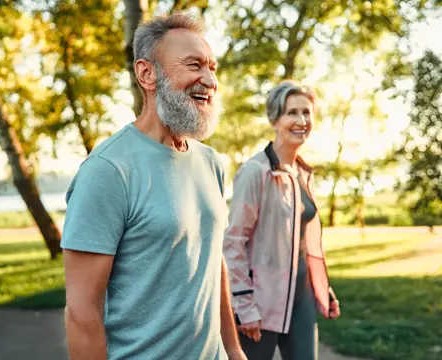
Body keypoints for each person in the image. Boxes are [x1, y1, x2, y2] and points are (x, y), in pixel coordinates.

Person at [61, 13, 246, 360]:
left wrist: (233, 349)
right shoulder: (108, 170)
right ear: (147, 74)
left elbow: (212, 260)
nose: (208, 79)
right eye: (194, 65)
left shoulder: (211, 163)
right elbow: (81, 311)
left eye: (212, 68)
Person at [223, 80, 341, 360]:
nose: (301, 120)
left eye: (306, 113)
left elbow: (301, 242)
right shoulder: (256, 172)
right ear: (275, 119)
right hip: (260, 303)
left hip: (301, 300)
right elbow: (233, 243)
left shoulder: (303, 172)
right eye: (292, 113)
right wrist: (243, 305)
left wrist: (322, 287)